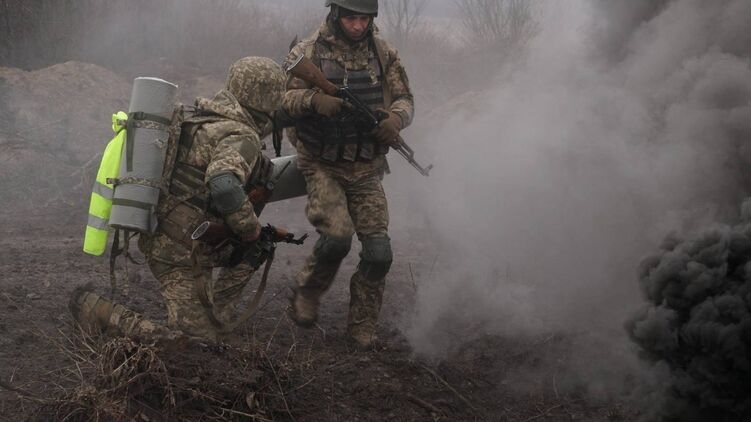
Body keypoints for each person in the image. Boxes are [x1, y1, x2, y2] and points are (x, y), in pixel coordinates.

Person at [71, 56, 288, 342]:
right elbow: (223, 184)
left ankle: (214, 315)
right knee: (190, 347)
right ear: (268, 100)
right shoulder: (241, 134)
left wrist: (255, 237)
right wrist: (249, 228)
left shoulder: (200, 117)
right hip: (181, 253)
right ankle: (99, 312)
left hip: (171, 234)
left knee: (258, 246)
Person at [283, 0, 414, 347]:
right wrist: (313, 101)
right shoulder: (308, 51)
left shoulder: (384, 53)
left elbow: (405, 99)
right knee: (337, 238)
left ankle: (362, 324)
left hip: (366, 166)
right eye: (351, 18)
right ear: (336, 15)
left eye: (363, 18)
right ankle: (308, 292)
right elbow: (284, 101)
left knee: (378, 252)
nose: (357, 25)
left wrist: (396, 119)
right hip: (321, 163)